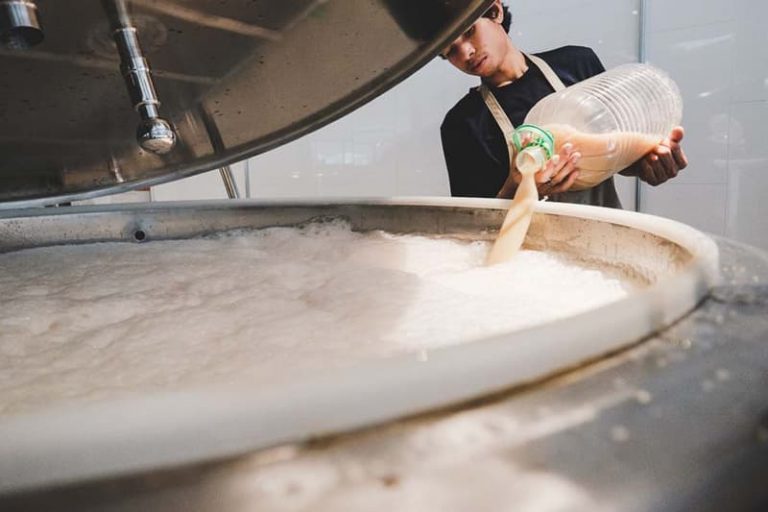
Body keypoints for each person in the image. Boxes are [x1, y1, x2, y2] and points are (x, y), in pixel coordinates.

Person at [439, 0, 688, 208]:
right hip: (531, 263)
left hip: (604, 243)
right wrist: (519, 188)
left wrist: (648, 165)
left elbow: (615, 153)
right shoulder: (461, 124)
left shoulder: (576, 63)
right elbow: (472, 225)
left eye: (469, 31)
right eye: (450, 51)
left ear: (495, 11)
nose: (465, 53)